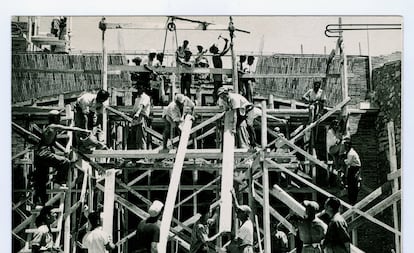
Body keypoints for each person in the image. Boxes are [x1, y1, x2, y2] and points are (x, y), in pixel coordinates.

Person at [33, 110, 84, 207]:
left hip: (40, 155)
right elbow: (68, 128)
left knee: (42, 180)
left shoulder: (48, 129)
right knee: (65, 162)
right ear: (56, 118)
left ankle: (40, 202)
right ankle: (58, 182)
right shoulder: (53, 126)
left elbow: (53, 143)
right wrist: (83, 130)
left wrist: (64, 150)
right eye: (59, 117)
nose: (60, 119)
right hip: (44, 153)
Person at [226, 189, 254, 253]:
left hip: (246, 250)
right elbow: (237, 208)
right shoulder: (247, 222)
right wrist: (234, 196)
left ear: (244, 214)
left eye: (239, 212)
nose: (237, 213)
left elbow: (237, 242)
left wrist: (226, 248)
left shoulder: (245, 226)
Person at [210, 37, 230, 104]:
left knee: (218, 88)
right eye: (216, 48)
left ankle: (216, 101)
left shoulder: (216, 55)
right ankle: (215, 101)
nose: (218, 49)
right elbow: (224, 52)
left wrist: (226, 43)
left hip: (219, 74)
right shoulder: (216, 55)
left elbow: (223, 51)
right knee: (217, 88)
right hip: (217, 74)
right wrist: (228, 44)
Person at [131, 84, 151, 150]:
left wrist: (137, 113)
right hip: (135, 119)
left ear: (142, 89)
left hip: (142, 117)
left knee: (141, 137)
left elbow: (141, 106)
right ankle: (137, 155)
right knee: (135, 138)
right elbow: (135, 108)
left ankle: (143, 156)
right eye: (137, 89)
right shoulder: (137, 98)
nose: (138, 90)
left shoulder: (146, 97)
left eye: (139, 89)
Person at [343, 136, 362, 205]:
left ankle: (353, 200)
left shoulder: (351, 153)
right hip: (352, 168)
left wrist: (344, 161)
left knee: (353, 184)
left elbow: (348, 162)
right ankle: (350, 197)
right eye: (345, 145)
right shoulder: (349, 152)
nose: (345, 146)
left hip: (355, 169)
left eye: (347, 145)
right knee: (350, 182)